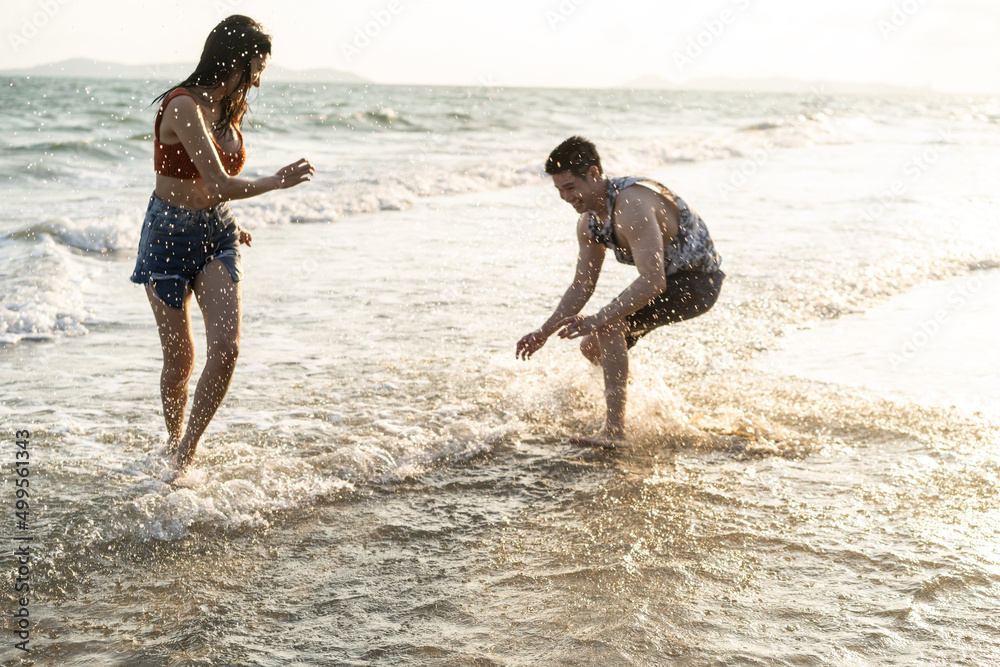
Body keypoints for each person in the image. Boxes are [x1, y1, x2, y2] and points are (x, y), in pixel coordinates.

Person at [130, 15, 314, 478]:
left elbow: (213, 195)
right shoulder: (182, 105)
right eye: (257, 66)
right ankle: (172, 439)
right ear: (234, 57)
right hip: (168, 238)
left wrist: (233, 221)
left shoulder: (227, 108)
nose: (258, 78)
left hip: (217, 234)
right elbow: (216, 180)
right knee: (180, 360)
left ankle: (185, 453)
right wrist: (275, 182)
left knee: (227, 350)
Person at [516, 136, 724, 448]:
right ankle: (643, 403)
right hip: (668, 281)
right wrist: (544, 331)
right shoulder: (589, 222)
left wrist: (599, 318)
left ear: (595, 174)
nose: (565, 197)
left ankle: (616, 432)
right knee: (592, 348)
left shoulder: (632, 204)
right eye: (559, 189)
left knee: (609, 324)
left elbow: (653, 282)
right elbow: (583, 285)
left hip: (698, 284)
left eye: (571, 187)